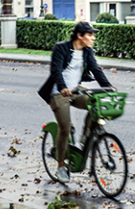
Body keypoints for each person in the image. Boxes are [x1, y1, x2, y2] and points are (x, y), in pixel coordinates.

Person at [38, 22, 116, 183]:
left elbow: (96, 69)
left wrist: (107, 87)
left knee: (96, 105)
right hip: (58, 93)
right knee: (65, 129)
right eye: (90, 35)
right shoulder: (61, 48)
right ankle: (60, 167)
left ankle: (84, 137)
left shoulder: (87, 51)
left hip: (76, 90)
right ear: (80, 36)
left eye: (93, 35)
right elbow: (56, 70)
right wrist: (62, 87)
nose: (93, 38)